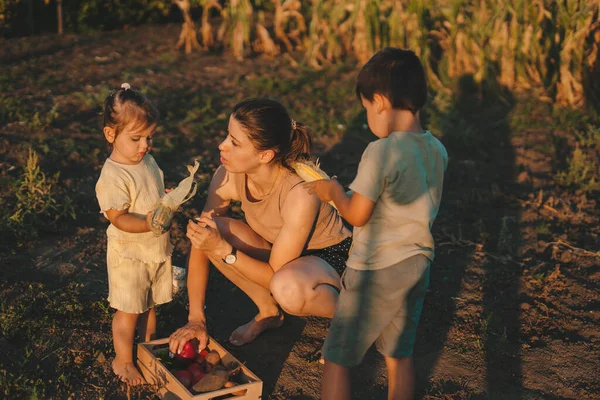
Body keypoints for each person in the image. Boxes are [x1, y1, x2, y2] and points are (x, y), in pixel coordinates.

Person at [304, 48, 449, 400]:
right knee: (399, 355)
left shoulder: (380, 151)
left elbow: (357, 214)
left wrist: (334, 192)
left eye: (367, 107)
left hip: (376, 269)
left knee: (337, 357)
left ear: (380, 101)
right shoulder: (437, 149)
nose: (368, 115)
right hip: (417, 264)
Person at [168, 98, 352, 354]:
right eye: (227, 136)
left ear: (265, 155)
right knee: (210, 228)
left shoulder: (299, 193)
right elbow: (202, 237)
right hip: (282, 254)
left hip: (330, 258)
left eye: (235, 142)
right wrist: (195, 319)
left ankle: (351, 319)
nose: (222, 146)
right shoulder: (228, 174)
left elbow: (274, 274)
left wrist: (223, 251)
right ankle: (268, 312)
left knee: (286, 288)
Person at [95, 83, 173, 386]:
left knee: (149, 304)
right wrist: (149, 223)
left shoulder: (146, 161)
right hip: (129, 253)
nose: (145, 145)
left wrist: (165, 198)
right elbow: (118, 217)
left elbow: (149, 192)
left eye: (149, 137)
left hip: (153, 249)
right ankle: (123, 360)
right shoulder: (113, 175)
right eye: (136, 138)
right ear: (110, 134)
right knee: (129, 309)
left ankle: (147, 348)